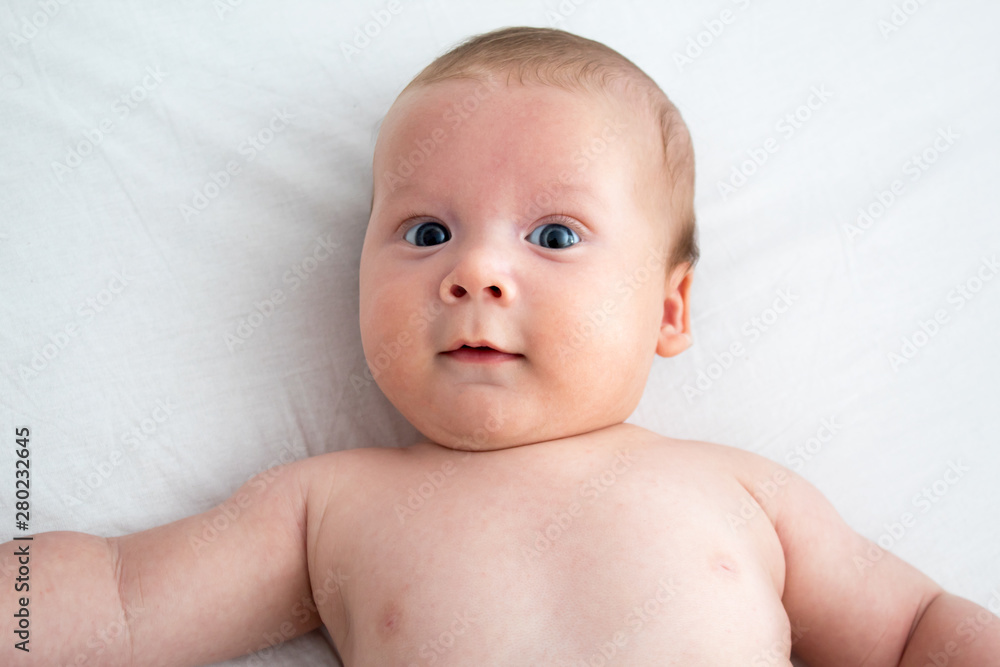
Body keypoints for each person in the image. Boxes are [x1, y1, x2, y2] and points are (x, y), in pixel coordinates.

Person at [4, 26, 998, 667]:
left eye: (554, 236)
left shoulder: (746, 492)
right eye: (427, 232)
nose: (474, 272)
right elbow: (122, 601)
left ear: (668, 310)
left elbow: (914, 629)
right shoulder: (326, 506)